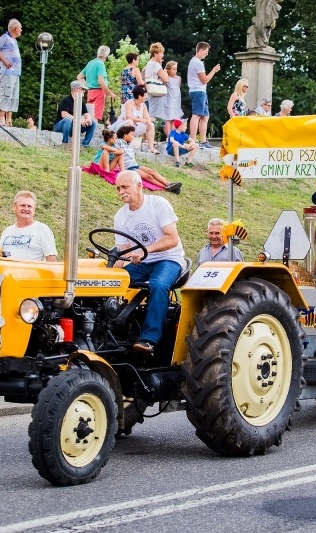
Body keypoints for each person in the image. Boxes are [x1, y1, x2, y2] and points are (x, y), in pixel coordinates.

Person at [112, 170, 187, 353]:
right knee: (113, 282)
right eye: (118, 188)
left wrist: (145, 251)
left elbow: (172, 239)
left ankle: (149, 339)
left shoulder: (158, 204)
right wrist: (110, 275)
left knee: (159, 284)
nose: (121, 191)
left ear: (139, 186)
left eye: (125, 187)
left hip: (169, 259)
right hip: (142, 263)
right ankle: (112, 330)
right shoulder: (120, 216)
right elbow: (123, 251)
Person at [115, 124, 181, 193]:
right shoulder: (119, 141)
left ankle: (169, 184)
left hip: (135, 165)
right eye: (131, 135)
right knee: (148, 176)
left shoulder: (129, 145)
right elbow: (114, 147)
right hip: (128, 168)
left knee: (153, 171)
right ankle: (165, 187)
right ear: (125, 135)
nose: (133, 137)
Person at [0, 190, 57, 262]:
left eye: (29, 206)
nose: (26, 209)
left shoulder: (42, 230)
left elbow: (51, 259)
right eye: (23, 205)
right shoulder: (7, 231)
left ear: (34, 210)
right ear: (14, 207)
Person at [0, 19, 22, 126]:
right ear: (16, 28)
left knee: (13, 96)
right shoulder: (5, 37)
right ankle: (2, 120)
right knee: (5, 95)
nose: (21, 30)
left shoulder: (14, 41)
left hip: (15, 73)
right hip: (7, 72)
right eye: (20, 28)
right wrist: (4, 60)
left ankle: (9, 120)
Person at [188, 42, 221, 148]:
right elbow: (204, 80)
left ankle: (203, 141)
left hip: (200, 91)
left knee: (205, 116)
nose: (207, 54)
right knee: (197, 115)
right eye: (206, 51)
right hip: (198, 91)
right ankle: (193, 140)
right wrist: (214, 71)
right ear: (201, 50)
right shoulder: (197, 63)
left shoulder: (194, 62)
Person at [110, 85, 158, 153]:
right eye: (145, 95)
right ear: (140, 96)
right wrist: (141, 120)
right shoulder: (129, 102)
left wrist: (147, 121)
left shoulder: (143, 105)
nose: (146, 97)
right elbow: (128, 117)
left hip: (135, 127)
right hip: (123, 126)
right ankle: (125, 145)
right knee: (130, 122)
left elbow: (147, 117)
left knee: (151, 125)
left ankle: (151, 148)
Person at [77, 45, 117, 124]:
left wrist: (88, 86)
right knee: (96, 115)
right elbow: (100, 82)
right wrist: (111, 93)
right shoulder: (100, 64)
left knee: (90, 113)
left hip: (90, 92)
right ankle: (94, 129)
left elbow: (79, 77)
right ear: (106, 56)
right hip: (99, 92)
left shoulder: (90, 63)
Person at [54, 80, 97, 146]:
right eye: (83, 89)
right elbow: (64, 115)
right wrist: (79, 120)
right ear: (77, 89)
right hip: (61, 126)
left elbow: (86, 113)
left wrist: (88, 119)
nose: (84, 91)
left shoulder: (81, 102)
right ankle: (65, 143)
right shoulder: (66, 100)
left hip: (74, 126)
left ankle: (85, 145)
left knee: (93, 123)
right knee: (68, 120)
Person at [143, 42, 169, 127]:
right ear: (155, 53)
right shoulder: (156, 65)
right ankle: (150, 133)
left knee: (152, 113)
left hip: (150, 90)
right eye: (161, 53)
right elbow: (166, 79)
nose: (162, 55)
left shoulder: (149, 63)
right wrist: (165, 71)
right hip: (157, 92)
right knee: (153, 117)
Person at [162, 61, 182, 136]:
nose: (175, 70)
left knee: (175, 118)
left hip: (176, 100)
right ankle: (169, 135)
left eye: (176, 69)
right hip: (169, 99)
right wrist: (165, 71)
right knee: (168, 118)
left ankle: (173, 135)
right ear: (168, 70)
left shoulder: (178, 78)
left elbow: (178, 88)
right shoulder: (167, 78)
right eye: (173, 69)